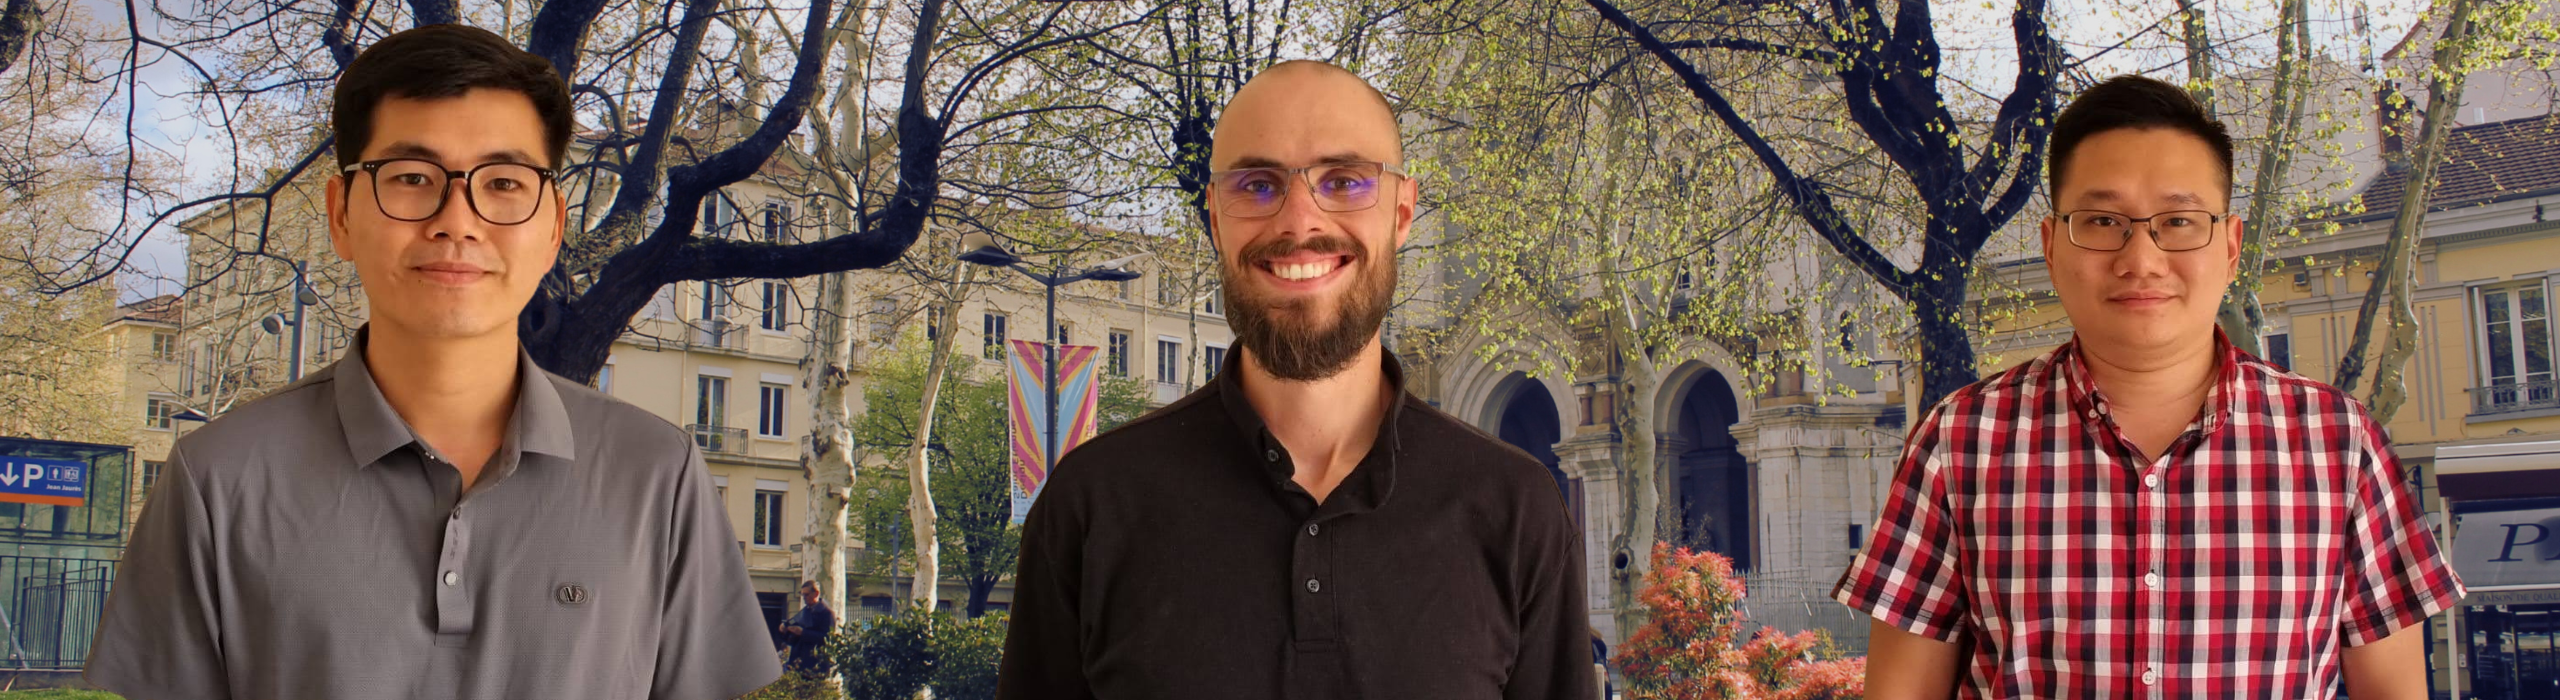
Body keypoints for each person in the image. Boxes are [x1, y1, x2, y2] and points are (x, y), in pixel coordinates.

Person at [83, 24, 780, 699]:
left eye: (504, 182)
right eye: (412, 177)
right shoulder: (218, 479)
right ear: (341, 215)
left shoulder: (656, 474)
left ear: (552, 229)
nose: (457, 218)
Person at [1832, 74, 2465, 699]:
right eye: (2103, 221)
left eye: (2180, 221)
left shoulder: (2338, 443)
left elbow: (2394, 689)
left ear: (2231, 245)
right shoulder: (1960, 440)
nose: (2141, 259)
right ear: (2052, 245)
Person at [994, 60, 1594, 700]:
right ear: (1217, 220)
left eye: (1343, 180)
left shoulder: (1515, 508)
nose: (1299, 221)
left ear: (1401, 212)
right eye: (1256, 184)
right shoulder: (1091, 505)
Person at [777, 580, 837, 676]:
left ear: (816, 593)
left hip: (814, 664)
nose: (804, 598)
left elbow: (828, 638)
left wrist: (803, 633)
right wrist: (784, 627)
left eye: (807, 595)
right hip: (798, 661)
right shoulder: (805, 611)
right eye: (802, 595)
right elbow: (792, 621)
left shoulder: (827, 613)